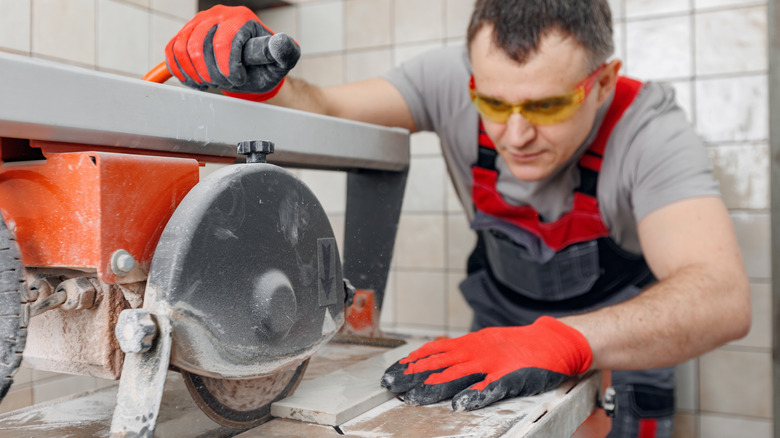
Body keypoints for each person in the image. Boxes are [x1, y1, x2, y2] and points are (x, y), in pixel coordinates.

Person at [164, 1, 751, 436]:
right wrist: (258, 72)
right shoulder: (453, 77)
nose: (515, 133)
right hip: (497, 331)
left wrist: (561, 340)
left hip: (619, 339)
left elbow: (721, 296)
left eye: (548, 106)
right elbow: (326, 107)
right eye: (493, 104)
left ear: (600, 83)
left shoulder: (649, 130)